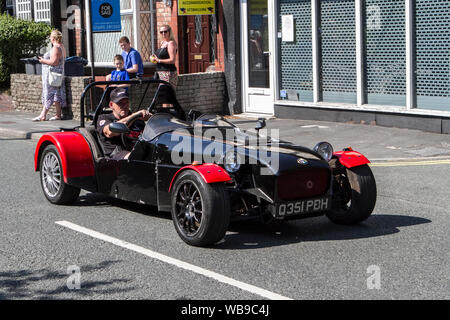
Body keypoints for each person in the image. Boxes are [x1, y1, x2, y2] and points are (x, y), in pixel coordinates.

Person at [97, 88, 151, 160]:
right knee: (135, 157)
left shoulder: (138, 119)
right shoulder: (104, 118)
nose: (125, 106)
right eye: (120, 103)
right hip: (117, 156)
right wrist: (135, 116)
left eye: (126, 102)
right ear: (111, 104)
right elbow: (109, 132)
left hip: (139, 149)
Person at [33, 30, 67, 121]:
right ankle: (58, 115)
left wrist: (43, 60)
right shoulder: (62, 47)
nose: (49, 38)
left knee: (49, 93)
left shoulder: (56, 48)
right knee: (56, 95)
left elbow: (54, 62)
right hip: (57, 75)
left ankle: (43, 115)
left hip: (52, 75)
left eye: (50, 37)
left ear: (53, 38)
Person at [151, 25, 178, 89]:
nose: (163, 33)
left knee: (167, 94)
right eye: (161, 32)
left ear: (169, 32)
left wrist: (159, 60)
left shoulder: (171, 43)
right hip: (160, 72)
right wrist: (153, 57)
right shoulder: (162, 43)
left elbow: (172, 60)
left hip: (168, 72)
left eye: (165, 31)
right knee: (162, 95)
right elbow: (161, 56)